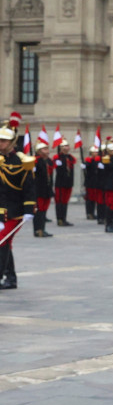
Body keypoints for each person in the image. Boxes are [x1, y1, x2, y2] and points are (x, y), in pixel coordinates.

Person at [0, 113, 35, 289]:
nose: (1, 144)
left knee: (1, 240)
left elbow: (29, 187)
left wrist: (29, 209)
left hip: (14, 210)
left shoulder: (21, 161)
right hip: (0, 210)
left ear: (12, 142)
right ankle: (11, 278)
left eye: (4, 141)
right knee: (5, 242)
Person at [33, 142, 54, 237]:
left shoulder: (49, 161)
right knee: (39, 211)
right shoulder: (36, 161)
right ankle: (38, 230)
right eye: (44, 149)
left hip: (47, 189)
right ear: (39, 151)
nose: (47, 151)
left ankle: (43, 229)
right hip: (38, 189)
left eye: (47, 149)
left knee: (44, 210)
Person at [52, 143, 76, 227]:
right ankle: (60, 219)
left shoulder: (70, 157)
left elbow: (73, 161)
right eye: (65, 146)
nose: (67, 147)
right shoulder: (57, 157)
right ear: (61, 148)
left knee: (65, 201)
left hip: (68, 183)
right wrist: (56, 162)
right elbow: (53, 164)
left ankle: (64, 219)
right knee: (60, 201)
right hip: (60, 183)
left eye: (68, 145)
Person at [83, 144, 100, 222]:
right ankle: (89, 213)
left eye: (96, 152)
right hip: (90, 182)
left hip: (96, 182)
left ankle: (92, 213)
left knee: (94, 199)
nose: (96, 153)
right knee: (89, 199)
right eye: (94, 152)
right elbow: (88, 167)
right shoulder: (89, 160)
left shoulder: (98, 161)